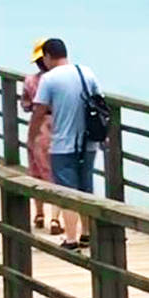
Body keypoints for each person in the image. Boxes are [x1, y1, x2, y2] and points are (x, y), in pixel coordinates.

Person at [29, 38, 103, 249]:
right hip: (88, 142)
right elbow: (100, 104)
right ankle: (87, 234)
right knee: (85, 188)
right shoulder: (87, 73)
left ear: (48, 57)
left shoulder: (49, 79)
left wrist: (32, 137)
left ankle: (71, 239)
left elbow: (39, 111)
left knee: (67, 191)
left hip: (62, 144)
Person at [20, 41, 57, 232]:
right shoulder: (60, 80)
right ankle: (56, 219)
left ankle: (39, 213)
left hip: (38, 127)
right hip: (59, 125)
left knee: (36, 171)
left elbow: (26, 105)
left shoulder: (30, 81)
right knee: (56, 173)